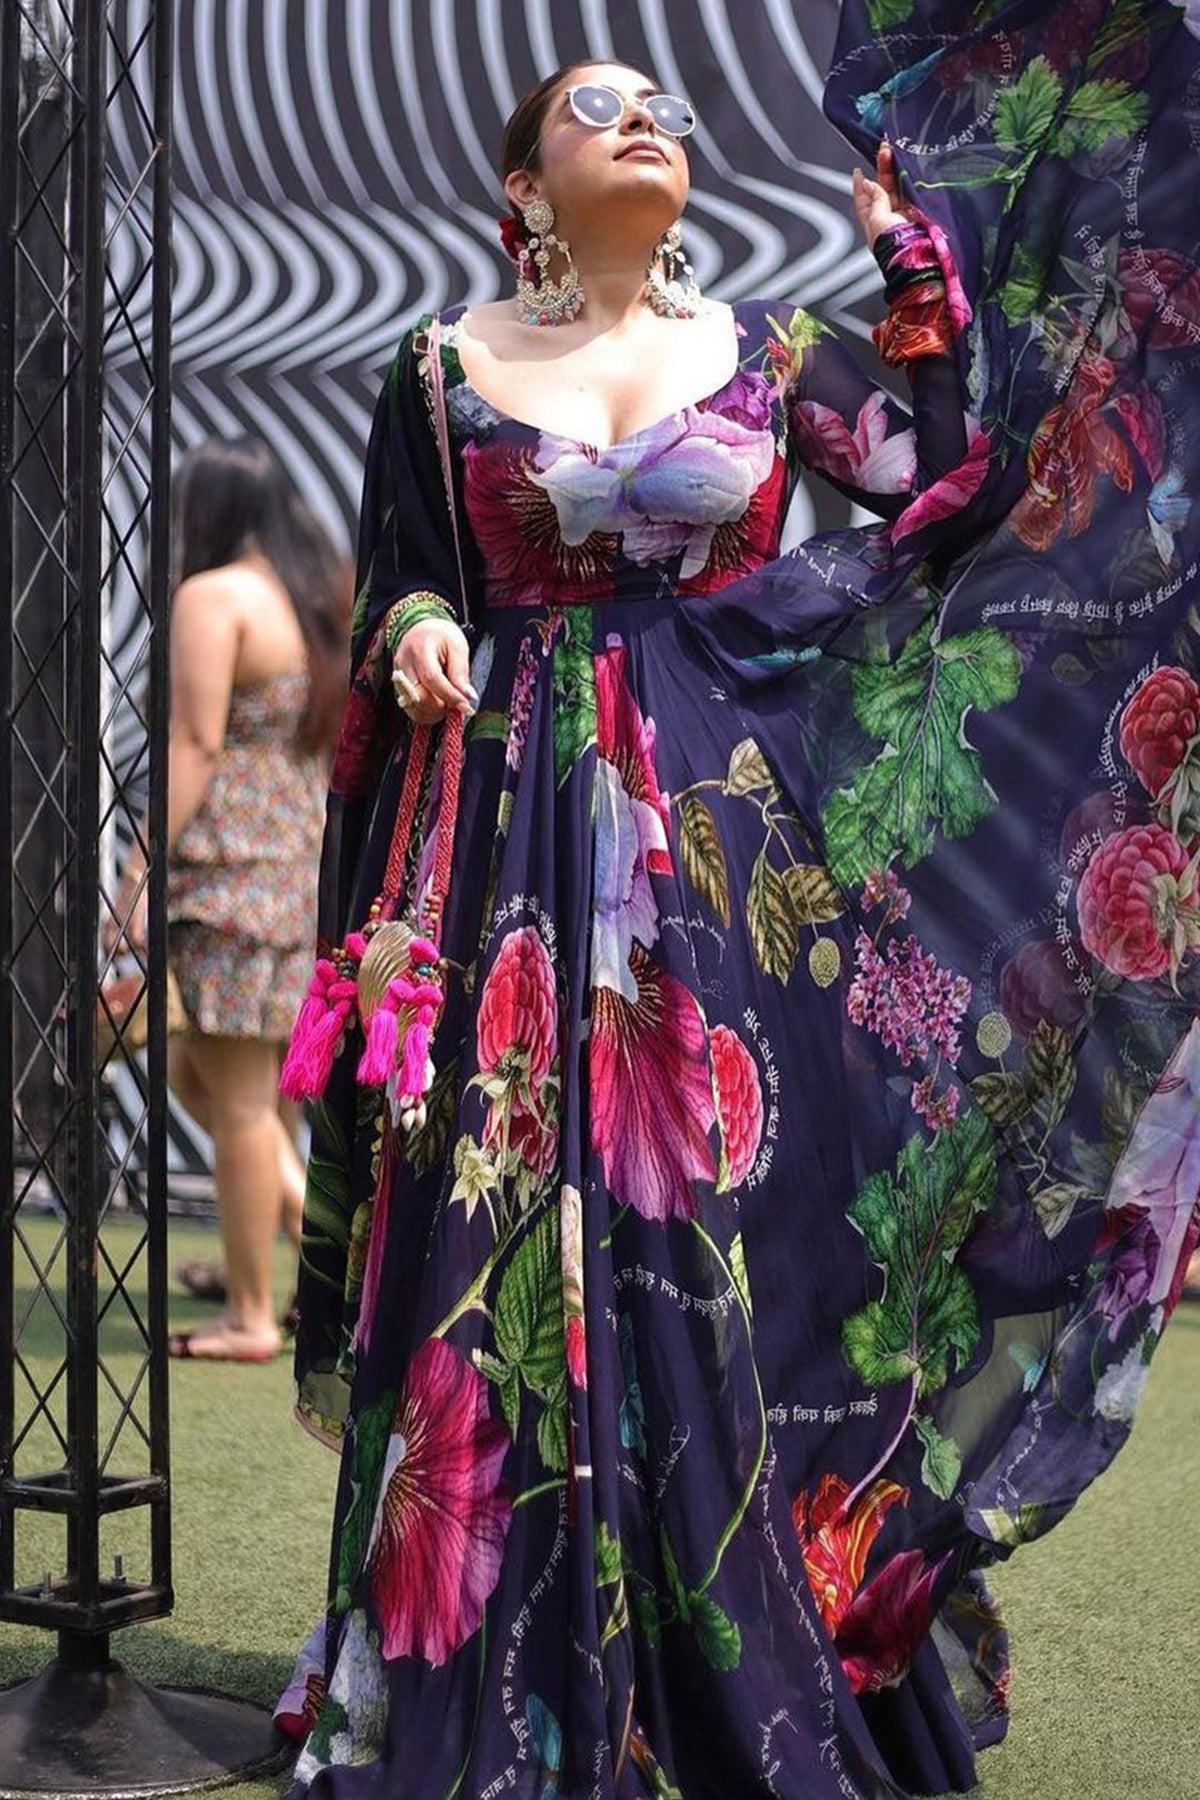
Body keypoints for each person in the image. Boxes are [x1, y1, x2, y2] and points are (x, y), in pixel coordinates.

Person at [280, 17, 1200, 1798]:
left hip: (724, 852)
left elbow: (952, 483)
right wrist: (422, 635)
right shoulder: (439, 367)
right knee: (496, 1224)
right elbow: (399, 583)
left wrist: (914, 270)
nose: (649, 120)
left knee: (727, 1230)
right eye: (599, 107)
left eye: (669, 109)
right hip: (504, 847)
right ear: (523, 185)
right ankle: (482, 1666)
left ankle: (724, 1647)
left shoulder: (774, 355)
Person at [116, 438, 350, 1362]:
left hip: (229, 879)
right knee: (230, 1082)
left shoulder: (212, 599)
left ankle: (256, 1313)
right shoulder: (316, 591)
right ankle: (295, 1247)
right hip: (297, 873)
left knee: (242, 1100)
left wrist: (140, 867)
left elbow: (195, 744)